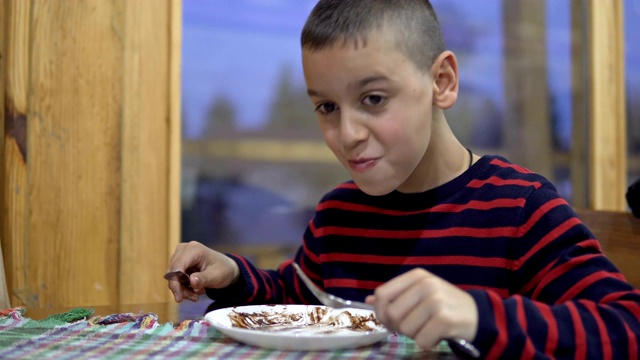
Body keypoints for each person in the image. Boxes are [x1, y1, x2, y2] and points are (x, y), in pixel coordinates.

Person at [167, 0, 640, 358]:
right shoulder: (338, 215)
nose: (347, 135)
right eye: (327, 107)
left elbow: (626, 327)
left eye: (373, 98)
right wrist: (233, 275)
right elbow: (299, 299)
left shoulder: (518, 209)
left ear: (442, 82)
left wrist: (478, 317)